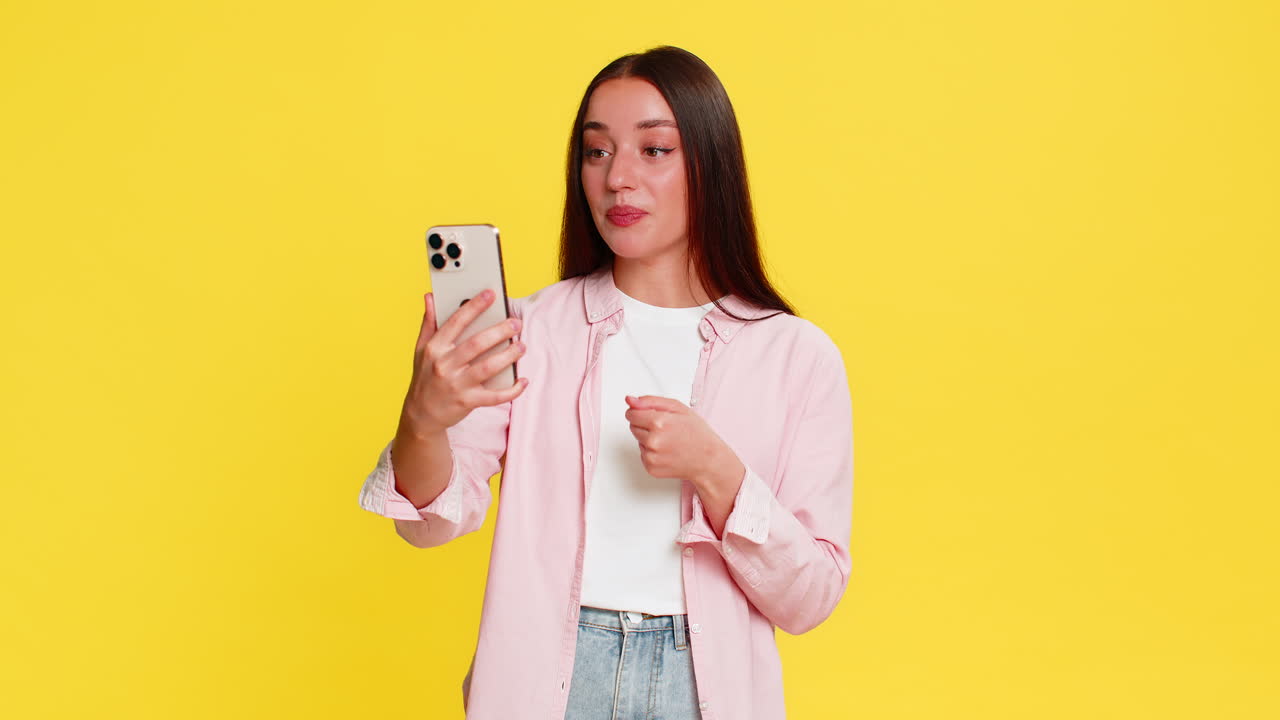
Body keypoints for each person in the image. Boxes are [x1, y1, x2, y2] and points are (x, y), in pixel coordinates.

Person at [358, 45, 854, 720]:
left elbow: (811, 598)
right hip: (548, 683)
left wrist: (718, 472)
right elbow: (428, 526)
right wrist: (423, 420)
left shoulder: (798, 356)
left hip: (703, 691)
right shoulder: (531, 331)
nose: (618, 178)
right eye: (597, 152)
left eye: (654, 150)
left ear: (712, 164)